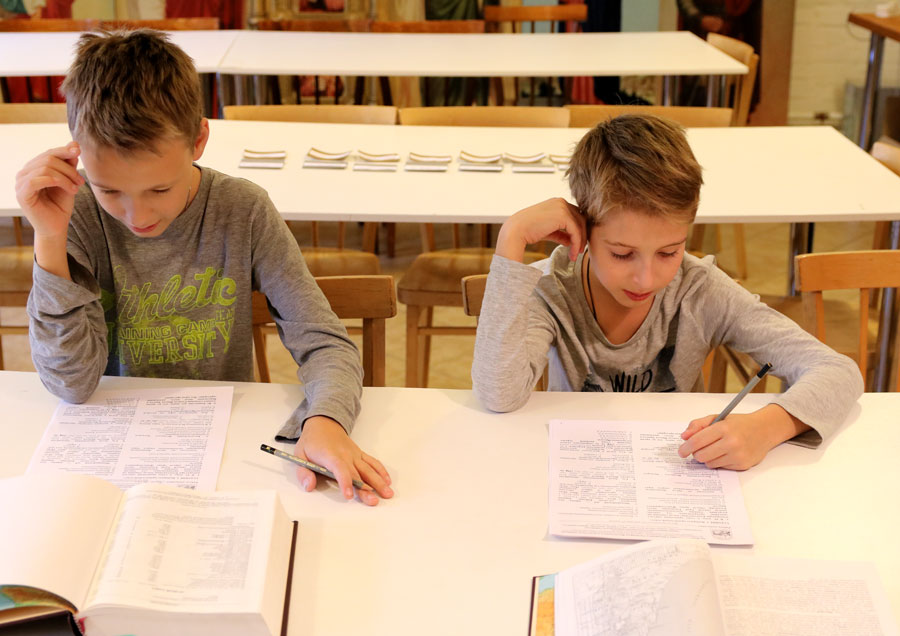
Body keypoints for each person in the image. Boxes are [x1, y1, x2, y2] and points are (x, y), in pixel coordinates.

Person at [17, 29, 392, 505]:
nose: (137, 215)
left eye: (159, 189)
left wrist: (326, 421)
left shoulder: (242, 209)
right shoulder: (77, 212)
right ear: (77, 151)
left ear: (198, 140)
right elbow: (70, 384)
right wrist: (50, 239)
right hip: (111, 453)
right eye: (110, 190)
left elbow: (324, 340)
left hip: (227, 448)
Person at [471, 114, 863, 470]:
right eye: (622, 254)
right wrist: (512, 236)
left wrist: (765, 428)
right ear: (583, 230)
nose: (646, 279)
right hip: (581, 471)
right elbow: (498, 394)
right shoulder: (553, 287)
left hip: (682, 474)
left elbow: (837, 371)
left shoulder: (699, 289)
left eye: (668, 252)